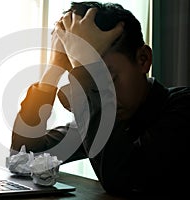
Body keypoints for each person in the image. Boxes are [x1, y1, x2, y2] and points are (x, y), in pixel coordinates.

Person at [10, 1, 190, 197]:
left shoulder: (185, 107)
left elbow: (123, 181)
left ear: (143, 59)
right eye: (93, 83)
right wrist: (53, 71)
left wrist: (87, 69)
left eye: (108, 78)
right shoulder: (107, 118)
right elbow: (23, 155)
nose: (102, 92)